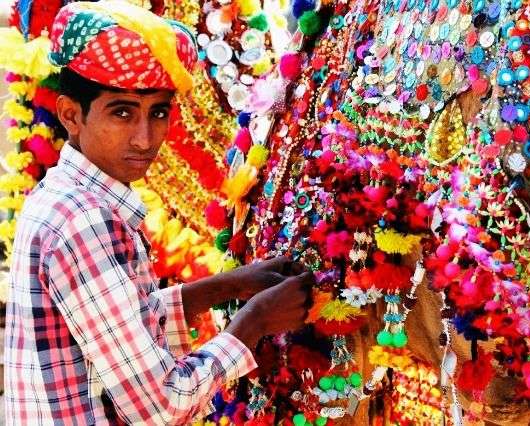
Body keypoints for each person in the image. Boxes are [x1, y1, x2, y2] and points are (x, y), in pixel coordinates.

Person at [4, 1, 312, 424]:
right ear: (71, 115)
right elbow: (159, 405)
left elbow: (113, 328)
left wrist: (222, 288)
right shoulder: (84, 220)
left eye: (159, 113)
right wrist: (254, 321)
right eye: (122, 113)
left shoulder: (65, 196)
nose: (145, 138)